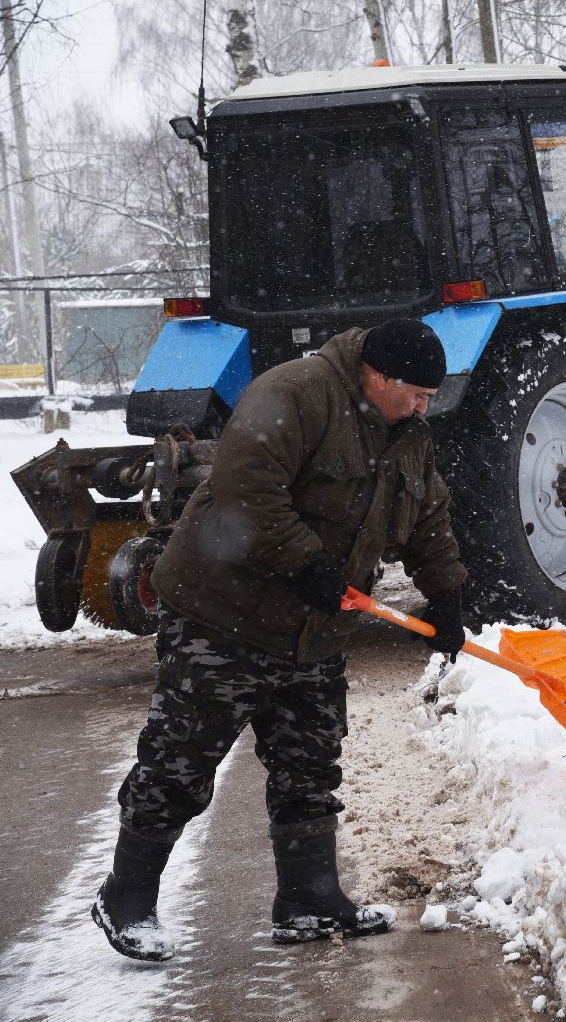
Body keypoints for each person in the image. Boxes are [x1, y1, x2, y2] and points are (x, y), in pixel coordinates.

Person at [91, 319, 468, 961]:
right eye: (416, 393)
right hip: (225, 611)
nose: (425, 406)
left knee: (308, 762)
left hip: (314, 627)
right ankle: (126, 896)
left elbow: (426, 512)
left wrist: (448, 591)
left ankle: (309, 901)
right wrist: (305, 562)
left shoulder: (409, 433)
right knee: (182, 759)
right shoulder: (293, 395)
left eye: (432, 395)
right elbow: (246, 491)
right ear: (377, 376)